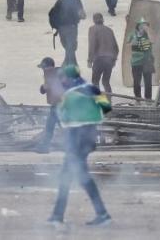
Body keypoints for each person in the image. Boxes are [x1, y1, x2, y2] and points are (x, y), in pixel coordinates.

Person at [47, 65, 112, 228]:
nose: (61, 81)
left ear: (67, 78)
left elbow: (62, 116)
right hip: (87, 138)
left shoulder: (69, 95)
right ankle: (58, 215)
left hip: (77, 140)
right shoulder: (91, 88)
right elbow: (107, 107)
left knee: (79, 177)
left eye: (62, 78)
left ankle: (101, 214)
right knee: (69, 177)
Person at [50, 0, 86, 67]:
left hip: (61, 28)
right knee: (70, 46)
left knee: (68, 46)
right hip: (72, 27)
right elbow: (82, 15)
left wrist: (54, 27)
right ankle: (71, 64)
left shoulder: (60, 0)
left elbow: (52, 14)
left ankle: (69, 64)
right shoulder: (78, 1)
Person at [35, 57, 62, 154]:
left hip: (58, 106)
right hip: (57, 105)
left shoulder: (49, 72)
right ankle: (44, 148)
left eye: (43, 67)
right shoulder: (58, 72)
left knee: (51, 128)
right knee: (50, 127)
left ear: (47, 66)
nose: (42, 69)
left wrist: (42, 88)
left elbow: (46, 87)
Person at [87, 14, 118, 94]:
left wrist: (90, 60)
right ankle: (109, 101)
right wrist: (114, 59)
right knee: (106, 81)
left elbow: (92, 45)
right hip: (109, 59)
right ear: (102, 19)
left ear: (94, 20)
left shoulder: (92, 29)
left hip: (99, 59)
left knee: (95, 81)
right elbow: (116, 47)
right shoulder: (109, 30)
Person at [127, 19, 154, 100]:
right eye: (141, 25)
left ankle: (148, 99)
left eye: (145, 25)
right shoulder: (132, 34)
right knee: (136, 81)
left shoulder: (148, 35)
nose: (143, 27)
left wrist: (148, 31)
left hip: (147, 62)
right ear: (138, 26)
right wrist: (135, 43)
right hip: (136, 62)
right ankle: (138, 98)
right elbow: (127, 45)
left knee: (148, 82)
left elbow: (153, 40)